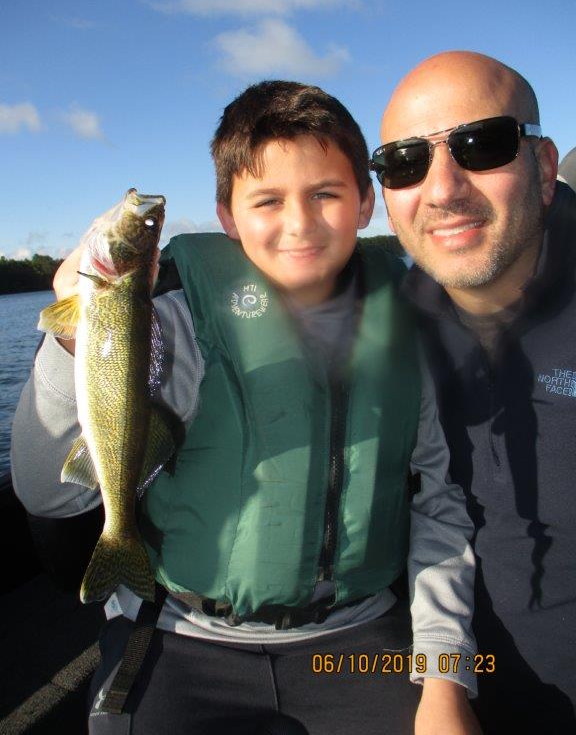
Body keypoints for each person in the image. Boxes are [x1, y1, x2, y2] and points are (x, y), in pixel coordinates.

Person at [11, 81, 480, 735]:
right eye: (267, 200)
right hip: (182, 635)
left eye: (326, 194)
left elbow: (439, 504)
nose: (300, 223)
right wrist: (74, 343)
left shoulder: (414, 328)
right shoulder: (172, 327)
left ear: (366, 204)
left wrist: (446, 673)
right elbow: (48, 494)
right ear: (227, 217)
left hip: (359, 635)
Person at [372, 50, 576, 733]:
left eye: (481, 145)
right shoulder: (389, 328)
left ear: (543, 167)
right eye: (404, 162)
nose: (442, 188)